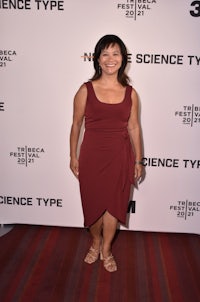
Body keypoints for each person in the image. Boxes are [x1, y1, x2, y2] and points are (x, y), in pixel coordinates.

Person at [70, 34, 143, 272]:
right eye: (105, 54)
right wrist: (73, 156)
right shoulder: (85, 90)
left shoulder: (131, 93)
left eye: (116, 53)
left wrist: (139, 160)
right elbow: (76, 124)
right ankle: (96, 240)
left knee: (114, 206)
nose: (110, 59)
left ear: (123, 58)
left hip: (120, 157)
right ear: (98, 59)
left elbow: (134, 127)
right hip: (92, 156)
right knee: (93, 206)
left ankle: (107, 249)